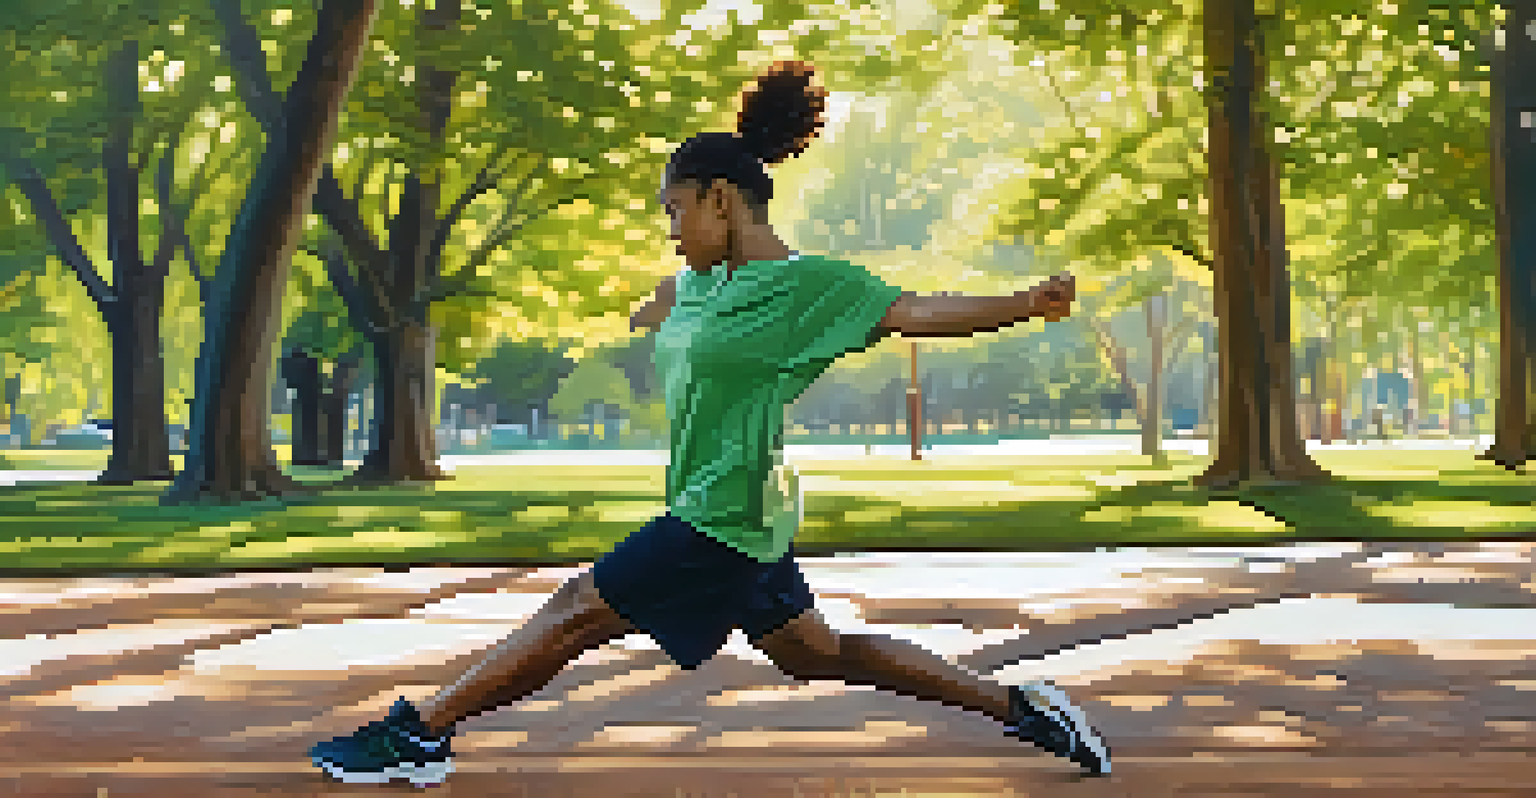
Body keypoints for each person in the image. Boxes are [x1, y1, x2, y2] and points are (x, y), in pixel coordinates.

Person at [309, 60, 1109, 788]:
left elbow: (916, 310)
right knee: (818, 653)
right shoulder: (696, 285)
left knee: (575, 610)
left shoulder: (809, 290)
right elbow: (669, 302)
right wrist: (650, 307)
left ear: (719, 200)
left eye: (675, 210)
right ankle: (1023, 707)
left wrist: (1025, 306)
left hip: (721, 516)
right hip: (740, 513)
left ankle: (420, 734)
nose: (671, 228)